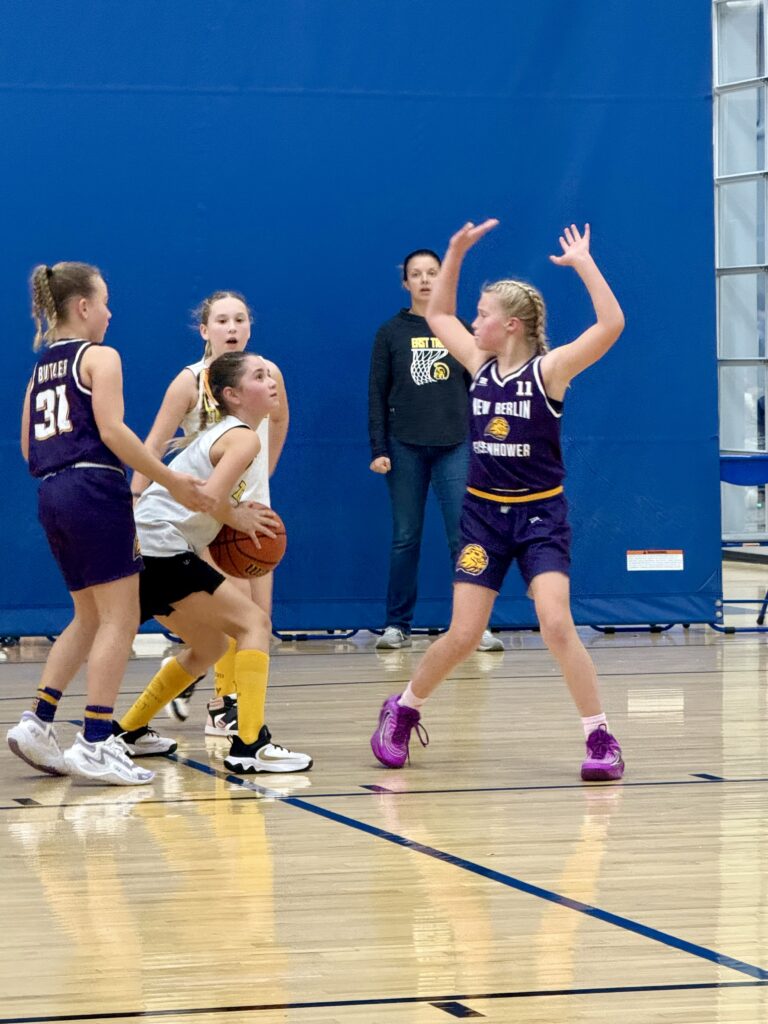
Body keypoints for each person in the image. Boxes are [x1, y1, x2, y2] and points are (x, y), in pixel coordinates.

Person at [370, 221, 626, 782]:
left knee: (556, 624)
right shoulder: (477, 365)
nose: (472, 321)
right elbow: (439, 314)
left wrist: (584, 264)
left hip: (540, 517)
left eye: (482, 314)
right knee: (463, 635)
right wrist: (455, 252)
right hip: (484, 517)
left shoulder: (549, 372)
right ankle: (402, 709)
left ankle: (600, 737)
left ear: (509, 325)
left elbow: (611, 325)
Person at [6, 262, 213, 786]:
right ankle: (97, 741)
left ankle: (38, 722)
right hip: (94, 489)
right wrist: (172, 479)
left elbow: (29, 447)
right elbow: (114, 431)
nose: (110, 312)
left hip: (51, 492)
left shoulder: (40, 370)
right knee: (120, 618)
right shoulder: (100, 356)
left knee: (87, 616)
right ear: (83, 307)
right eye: (104, 302)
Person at [113, 350, 311, 775]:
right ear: (233, 395)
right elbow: (207, 498)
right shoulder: (243, 438)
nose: (271, 381)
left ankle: (127, 732)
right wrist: (235, 518)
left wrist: (230, 515)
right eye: (259, 376)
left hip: (145, 544)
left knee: (212, 646)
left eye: (270, 374)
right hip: (162, 544)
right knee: (254, 624)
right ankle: (250, 745)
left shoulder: (231, 433)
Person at [130, 291, 289, 732]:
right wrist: (135, 497)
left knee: (259, 616)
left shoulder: (266, 374)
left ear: (250, 327)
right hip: (206, 512)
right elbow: (153, 444)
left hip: (249, 508)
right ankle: (225, 706)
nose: (232, 327)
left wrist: (264, 473)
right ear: (205, 330)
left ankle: (194, 681)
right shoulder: (189, 382)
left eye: (240, 319)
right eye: (222, 320)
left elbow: (279, 420)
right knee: (241, 617)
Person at [368, 248, 503, 653]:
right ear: (405, 282)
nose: (425, 280)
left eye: (432, 273)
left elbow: (481, 391)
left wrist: (485, 444)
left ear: (443, 280)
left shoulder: (460, 330)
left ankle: (474, 627)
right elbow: (376, 395)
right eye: (417, 274)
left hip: (455, 446)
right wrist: (379, 447)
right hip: (403, 447)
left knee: (463, 538)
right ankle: (397, 625)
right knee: (405, 537)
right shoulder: (390, 332)